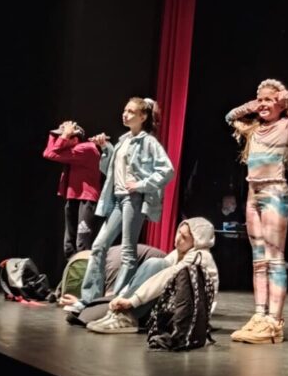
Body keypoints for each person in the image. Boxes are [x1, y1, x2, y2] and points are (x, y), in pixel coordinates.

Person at [65, 97, 175, 317]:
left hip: (133, 200)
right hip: (117, 199)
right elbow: (110, 171)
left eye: (131, 111)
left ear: (143, 117)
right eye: (125, 110)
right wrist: (105, 149)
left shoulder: (148, 142)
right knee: (98, 245)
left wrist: (142, 185)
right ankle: (89, 299)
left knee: (127, 251)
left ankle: (116, 299)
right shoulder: (123, 140)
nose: (125, 114)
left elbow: (167, 170)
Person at [225, 79, 288, 345]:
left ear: (281, 104)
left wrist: (286, 95)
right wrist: (254, 104)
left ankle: (274, 321)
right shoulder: (254, 130)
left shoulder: (286, 126)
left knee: (274, 258)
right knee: (258, 260)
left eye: (268, 100)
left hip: (274, 193)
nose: (262, 104)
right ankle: (260, 315)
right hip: (254, 194)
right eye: (259, 99)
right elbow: (230, 117)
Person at [88, 217, 218, 340]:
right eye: (178, 232)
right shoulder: (178, 253)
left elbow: (165, 278)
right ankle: (122, 314)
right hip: (171, 306)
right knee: (155, 264)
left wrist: (132, 301)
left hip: (189, 315)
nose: (178, 238)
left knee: (157, 264)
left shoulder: (200, 256)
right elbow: (147, 278)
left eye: (184, 237)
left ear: (197, 241)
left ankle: (128, 317)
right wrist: (123, 297)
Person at [42, 119, 102, 259]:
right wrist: (54, 134)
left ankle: (85, 272)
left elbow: (50, 153)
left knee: (82, 244)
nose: (60, 140)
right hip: (74, 197)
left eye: (64, 137)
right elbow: (47, 152)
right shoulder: (72, 151)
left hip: (86, 199)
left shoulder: (86, 148)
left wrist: (64, 135)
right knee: (69, 245)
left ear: (75, 139)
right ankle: (73, 271)